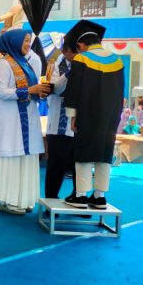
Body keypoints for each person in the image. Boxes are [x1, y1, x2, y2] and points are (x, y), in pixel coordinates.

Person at [63, 20, 124, 210]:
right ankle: (99, 197)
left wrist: (72, 116)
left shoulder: (82, 59)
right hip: (110, 116)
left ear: (81, 45)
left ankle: (80, 195)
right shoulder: (117, 60)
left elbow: (74, 90)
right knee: (104, 154)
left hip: (88, 113)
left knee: (84, 153)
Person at [0, 29, 49, 215]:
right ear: (14, 42)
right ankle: (8, 200)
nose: (28, 45)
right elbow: (0, 91)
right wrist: (30, 90)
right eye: (24, 41)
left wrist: (39, 92)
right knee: (12, 157)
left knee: (27, 157)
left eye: (29, 41)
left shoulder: (27, 63)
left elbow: (31, 89)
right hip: (10, 120)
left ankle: (24, 198)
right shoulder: (3, 65)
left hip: (28, 117)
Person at [44, 41, 78, 199]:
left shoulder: (87, 67)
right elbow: (54, 89)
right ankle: (51, 200)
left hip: (80, 125)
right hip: (59, 125)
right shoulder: (54, 67)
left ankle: (79, 197)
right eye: (75, 51)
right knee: (57, 165)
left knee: (80, 165)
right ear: (65, 51)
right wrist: (70, 73)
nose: (79, 55)